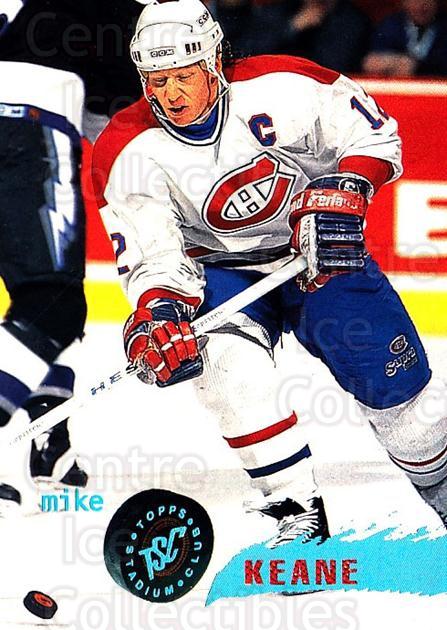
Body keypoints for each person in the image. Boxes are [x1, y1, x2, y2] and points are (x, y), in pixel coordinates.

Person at [92, 0, 446, 545]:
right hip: (219, 273)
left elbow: (372, 134)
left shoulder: (284, 84)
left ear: (213, 61)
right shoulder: (125, 148)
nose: (171, 94)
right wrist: (160, 313)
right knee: (226, 370)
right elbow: (154, 255)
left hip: (317, 253)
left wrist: (349, 185)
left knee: (406, 407)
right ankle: (296, 515)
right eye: (157, 80)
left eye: (184, 76)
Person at [0, 0, 90, 511]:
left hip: (27, 117)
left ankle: (52, 441)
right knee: (50, 303)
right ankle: (50, 439)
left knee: (37, 308)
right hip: (26, 122)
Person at [277, 0, 371, 74]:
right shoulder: (281, 11)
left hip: (325, 87)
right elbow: (268, 54)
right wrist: (292, 28)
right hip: (281, 80)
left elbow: (333, 66)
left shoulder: (352, 21)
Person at [363, 0, 447, 77]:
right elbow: (372, 62)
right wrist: (397, 61)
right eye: (415, 0)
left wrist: (416, 66)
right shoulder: (391, 25)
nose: (422, 5)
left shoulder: (443, 27)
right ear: (404, 3)